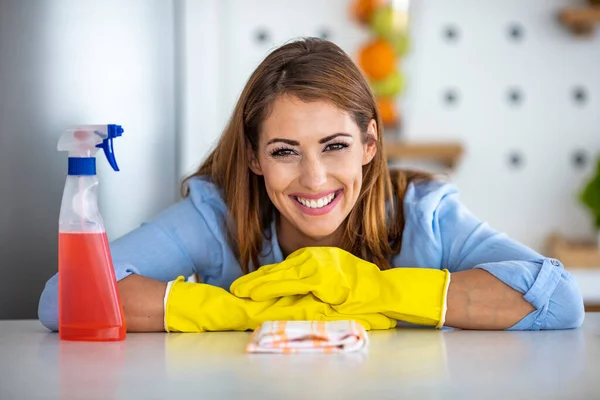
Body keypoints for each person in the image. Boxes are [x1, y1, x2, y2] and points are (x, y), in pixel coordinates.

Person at [38, 38, 584, 333]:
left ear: (370, 144)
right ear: (253, 158)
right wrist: (245, 310)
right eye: (284, 152)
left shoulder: (423, 215)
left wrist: (369, 291)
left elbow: (557, 300)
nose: (314, 178)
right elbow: (64, 298)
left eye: (335, 145)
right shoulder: (217, 215)